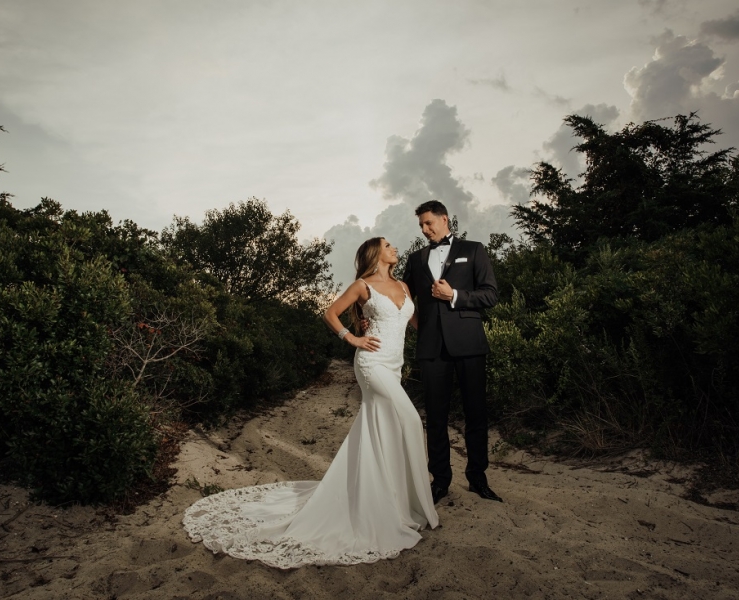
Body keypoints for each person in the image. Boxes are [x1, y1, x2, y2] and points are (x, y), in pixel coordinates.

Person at [182, 237, 438, 569]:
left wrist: (451, 320)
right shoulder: (362, 285)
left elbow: (417, 322)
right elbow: (329, 312)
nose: (395, 248)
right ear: (376, 254)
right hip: (371, 364)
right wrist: (352, 337)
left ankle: (392, 500)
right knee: (411, 420)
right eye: (388, 245)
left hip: (394, 365)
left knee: (385, 428)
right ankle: (400, 503)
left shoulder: (403, 284)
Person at [402, 200, 502, 504]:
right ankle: (440, 481)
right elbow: (403, 300)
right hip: (432, 348)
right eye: (421, 225)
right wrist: (421, 326)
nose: (424, 229)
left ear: (445, 220)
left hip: (469, 344)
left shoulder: (474, 250)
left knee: (476, 414)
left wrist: (454, 295)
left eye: (429, 223)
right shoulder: (416, 259)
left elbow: (491, 294)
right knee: (435, 417)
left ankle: (478, 479)